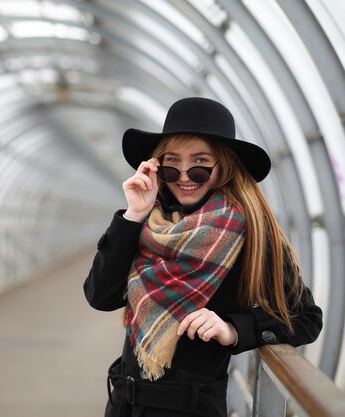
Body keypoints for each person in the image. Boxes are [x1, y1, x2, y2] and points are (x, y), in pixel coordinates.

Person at [83, 97, 323, 417]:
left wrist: (234, 329)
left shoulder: (247, 232)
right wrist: (132, 215)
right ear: (157, 166)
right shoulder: (148, 224)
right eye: (172, 163)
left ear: (222, 166)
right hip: (124, 405)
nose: (184, 175)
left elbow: (306, 318)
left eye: (199, 163)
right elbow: (101, 296)